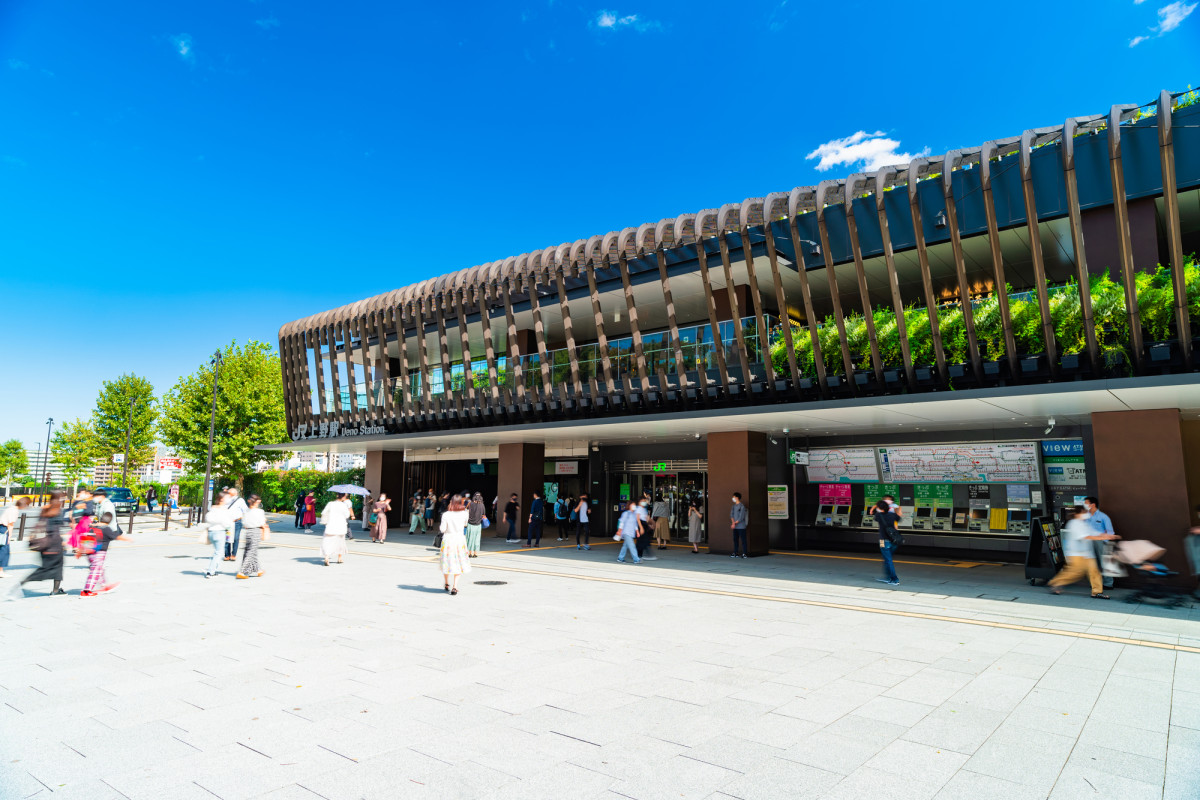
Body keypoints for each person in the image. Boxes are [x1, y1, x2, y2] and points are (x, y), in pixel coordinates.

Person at [1049, 505, 1118, 599]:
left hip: (1087, 554)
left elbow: (1093, 532)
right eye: (1084, 512)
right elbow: (1084, 536)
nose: (1086, 514)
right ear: (1077, 514)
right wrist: (1101, 537)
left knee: (1095, 572)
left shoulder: (1084, 523)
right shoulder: (1074, 524)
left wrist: (1105, 535)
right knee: (1075, 573)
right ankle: (1056, 583)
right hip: (1076, 554)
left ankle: (1097, 592)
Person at [10, 496, 64, 598]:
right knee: (50, 569)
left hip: (42, 546)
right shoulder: (57, 512)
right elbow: (55, 530)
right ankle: (20, 585)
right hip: (54, 547)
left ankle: (56, 590)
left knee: (52, 569)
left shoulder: (44, 511)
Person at [82, 511, 130, 596]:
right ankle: (86, 591)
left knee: (100, 569)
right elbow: (116, 537)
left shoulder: (92, 526)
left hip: (89, 552)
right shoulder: (106, 528)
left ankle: (104, 586)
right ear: (110, 521)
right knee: (95, 571)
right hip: (99, 553)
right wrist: (128, 539)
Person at [438, 494, 471, 594]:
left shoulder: (446, 515)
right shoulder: (464, 514)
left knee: (447, 562)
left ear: (451, 502)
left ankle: (447, 583)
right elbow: (465, 524)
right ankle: (455, 586)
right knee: (458, 562)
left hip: (448, 540)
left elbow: (442, 529)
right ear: (461, 502)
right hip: (460, 540)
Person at [1084, 496, 1117, 589]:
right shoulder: (1084, 516)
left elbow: (1110, 531)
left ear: (1092, 505)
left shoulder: (1103, 516)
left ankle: (1108, 584)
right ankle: (1096, 583)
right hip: (1088, 542)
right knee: (1092, 563)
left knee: (1104, 563)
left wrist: (1104, 542)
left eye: (1086, 503)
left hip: (1101, 542)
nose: (1084, 505)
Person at [237, 494, 269, 579]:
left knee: (250, 551)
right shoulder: (259, 511)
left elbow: (244, 523)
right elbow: (262, 522)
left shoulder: (246, 511)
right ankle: (242, 571)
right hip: (256, 531)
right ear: (257, 502)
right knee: (251, 552)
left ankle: (258, 570)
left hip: (248, 532)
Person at [872, 500, 902, 585]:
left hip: (883, 541)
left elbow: (874, 513)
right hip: (894, 541)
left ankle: (894, 579)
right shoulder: (892, 515)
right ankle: (889, 577)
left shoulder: (878, 515)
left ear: (879, 508)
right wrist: (896, 508)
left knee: (888, 560)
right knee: (887, 560)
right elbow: (899, 517)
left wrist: (875, 507)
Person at [204, 493, 233, 579]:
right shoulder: (224, 510)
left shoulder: (213, 508)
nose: (228, 499)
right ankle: (210, 571)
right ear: (222, 499)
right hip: (220, 532)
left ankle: (214, 569)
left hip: (211, 531)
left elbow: (208, 518)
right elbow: (227, 522)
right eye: (227, 498)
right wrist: (227, 526)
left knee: (217, 552)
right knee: (218, 552)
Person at [320, 493, 352, 566]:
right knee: (340, 542)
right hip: (341, 526)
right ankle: (339, 558)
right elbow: (347, 515)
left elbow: (324, 512)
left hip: (331, 526)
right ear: (343, 497)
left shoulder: (330, 504)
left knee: (328, 542)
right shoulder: (344, 505)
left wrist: (326, 521)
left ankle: (327, 557)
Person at [0, 497, 29, 578]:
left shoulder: (11, 508)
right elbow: (10, 524)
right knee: (4, 550)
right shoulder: (14, 511)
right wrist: (9, 536)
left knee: (2, 549)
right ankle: (0, 571)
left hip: (1, 528)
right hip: (4, 530)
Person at [225, 488, 248, 561]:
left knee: (236, 538)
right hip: (228, 522)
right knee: (227, 538)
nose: (228, 494)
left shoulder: (240, 500)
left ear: (235, 493)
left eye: (230, 493)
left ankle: (233, 554)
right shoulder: (225, 500)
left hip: (237, 522)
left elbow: (245, 510)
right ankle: (227, 555)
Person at [465, 492, 486, 558]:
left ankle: (469, 553)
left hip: (470, 524)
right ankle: (475, 553)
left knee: (469, 538)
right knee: (476, 539)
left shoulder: (470, 504)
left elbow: (466, 510)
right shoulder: (482, 505)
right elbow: (483, 515)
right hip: (478, 524)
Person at [729, 492, 748, 559]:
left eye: (733, 497)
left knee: (743, 540)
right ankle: (735, 552)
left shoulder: (742, 506)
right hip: (735, 526)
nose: (733, 498)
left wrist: (734, 523)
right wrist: (733, 522)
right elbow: (731, 515)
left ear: (737, 498)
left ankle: (745, 553)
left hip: (741, 526)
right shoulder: (733, 506)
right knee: (735, 539)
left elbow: (741, 517)